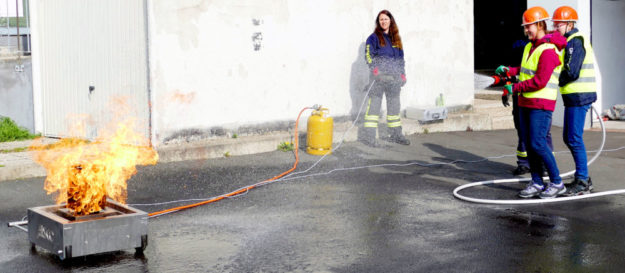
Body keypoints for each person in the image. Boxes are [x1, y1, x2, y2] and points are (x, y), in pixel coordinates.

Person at [498, 7, 567, 198]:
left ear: (539, 24)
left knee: (538, 143)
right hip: (526, 103)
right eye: (525, 27)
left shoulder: (549, 50)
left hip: (541, 104)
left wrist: (515, 88)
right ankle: (537, 182)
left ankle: (557, 182)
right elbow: (525, 69)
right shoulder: (530, 46)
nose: (526, 30)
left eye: (529, 26)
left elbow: (540, 80)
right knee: (530, 144)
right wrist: (510, 71)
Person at [552, 6, 597, 196]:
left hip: (579, 96)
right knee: (569, 137)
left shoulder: (574, 42)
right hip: (574, 97)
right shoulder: (570, 41)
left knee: (573, 138)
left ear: (569, 24)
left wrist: (553, 78)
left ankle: (583, 180)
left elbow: (572, 71)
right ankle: (582, 177)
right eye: (555, 24)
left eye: (559, 24)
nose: (556, 28)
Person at [361, 10, 409, 147]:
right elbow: (368, 56)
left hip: (394, 80)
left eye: (386, 19)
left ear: (390, 21)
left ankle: (395, 135)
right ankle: (369, 138)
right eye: (381, 19)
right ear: (378, 22)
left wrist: (403, 75)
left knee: (394, 109)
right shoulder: (373, 38)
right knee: (373, 110)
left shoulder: (396, 39)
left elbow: (401, 59)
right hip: (378, 80)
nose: (383, 21)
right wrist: (375, 71)